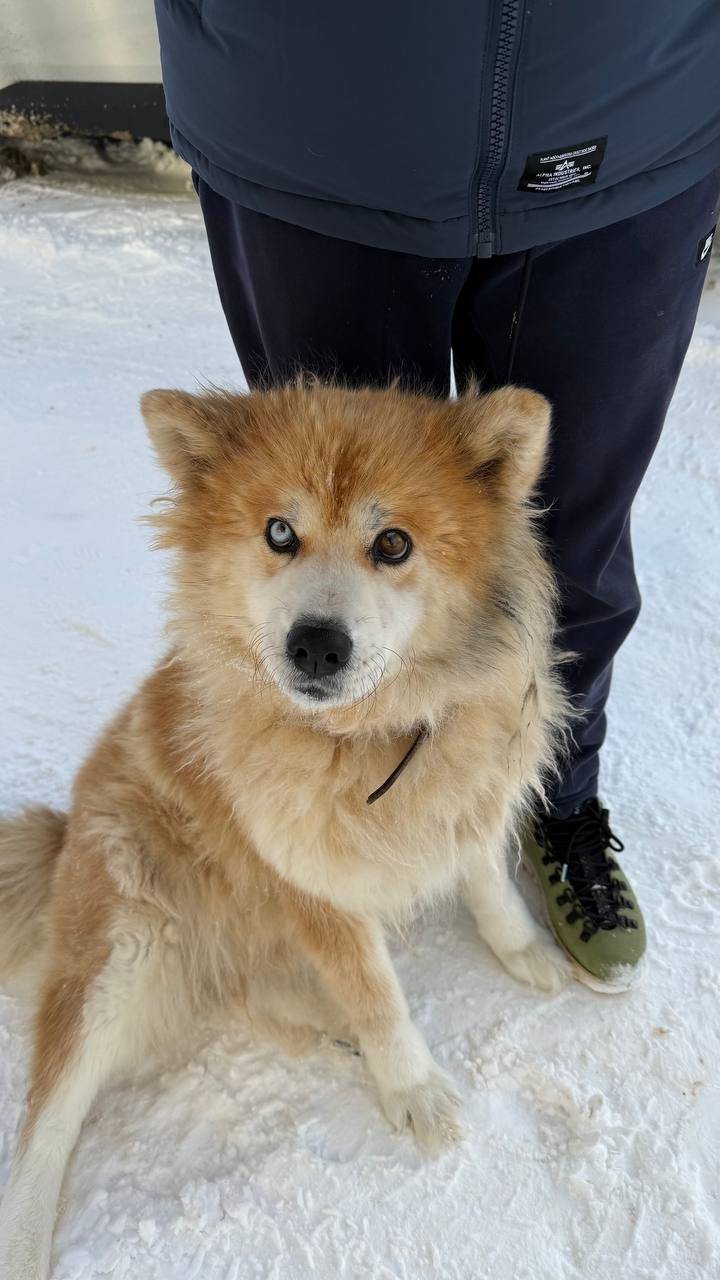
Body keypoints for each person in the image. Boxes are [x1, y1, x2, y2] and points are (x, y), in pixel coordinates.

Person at [153, 1, 720, 990]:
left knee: (568, 548)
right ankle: (357, 805)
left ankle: (556, 795)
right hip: (311, 128)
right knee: (316, 536)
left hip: (630, 117)